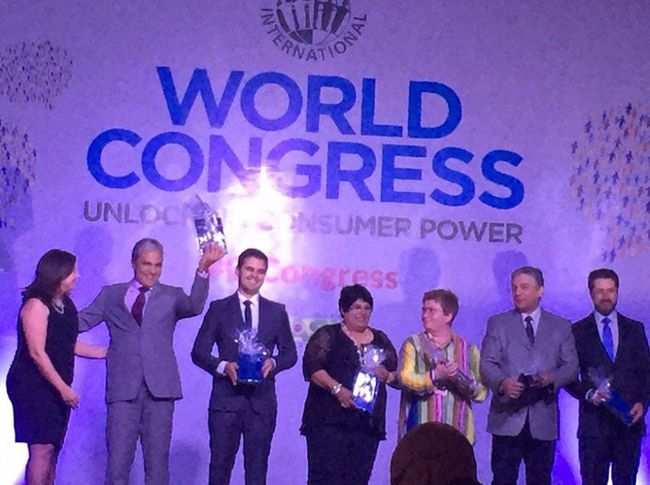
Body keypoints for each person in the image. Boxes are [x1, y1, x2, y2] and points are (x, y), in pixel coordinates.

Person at [78, 238, 223, 485]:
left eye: (158, 265)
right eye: (147, 264)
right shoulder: (111, 295)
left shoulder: (173, 296)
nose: (153, 271)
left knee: (157, 466)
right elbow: (81, 321)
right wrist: (49, 310)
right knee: (117, 466)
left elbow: (195, 306)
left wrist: (203, 269)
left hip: (161, 391)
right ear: (134, 263)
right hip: (123, 391)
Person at [191, 248, 297, 485]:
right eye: (249, 269)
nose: (254, 276)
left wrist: (273, 362)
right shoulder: (219, 308)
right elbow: (198, 352)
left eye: (260, 271)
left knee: (257, 473)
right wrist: (223, 366)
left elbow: (290, 354)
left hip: (261, 404)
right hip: (225, 403)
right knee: (219, 471)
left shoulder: (277, 311)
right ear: (237, 271)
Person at [6, 249, 106, 485]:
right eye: (72, 272)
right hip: (33, 386)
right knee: (41, 448)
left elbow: (67, 343)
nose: (77, 276)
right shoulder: (36, 305)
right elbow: (37, 353)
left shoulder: (66, 304)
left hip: (56, 385)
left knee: (53, 448)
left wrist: (107, 353)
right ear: (57, 274)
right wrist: (63, 389)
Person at [480, 266, 578, 485]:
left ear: (540, 290)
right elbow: (487, 364)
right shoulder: (497, 323)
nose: (517, 292)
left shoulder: (561, 326)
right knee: (503, 480)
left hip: (543, 420)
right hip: (506, 419)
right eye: (514, 288)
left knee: (540, 480)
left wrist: (551, 378)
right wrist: (502, 383)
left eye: (524, 287)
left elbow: (571, 366)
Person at [300, 284, 398, 485]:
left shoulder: (381, 339)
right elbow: (313, 368)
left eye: (367, 307)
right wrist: (337, 389)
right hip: (329, 422)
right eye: (356, 307)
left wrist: (387, 375)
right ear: (343, 310)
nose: (362, 312)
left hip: (366, 426)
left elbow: (395, 373)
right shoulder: (328, 334)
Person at [567, 268, 650, 485]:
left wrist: (642, 402)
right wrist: (589, 394)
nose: (606, 296)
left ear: (617, 292)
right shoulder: (576, 331)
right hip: (594, 428)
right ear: (591, 293)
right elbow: (567, 376)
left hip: (628, 424)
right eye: (600, 291)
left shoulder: (635, 329)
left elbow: (646, 372)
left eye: (611, 290)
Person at [398, 289, 487, 444]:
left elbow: (481, 393)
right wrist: (435, 375)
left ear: (448, 315)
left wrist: (459, 377)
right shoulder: (413, 344)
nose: (425, 315)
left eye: (431, 311)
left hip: (457, 435)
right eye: (424, 310)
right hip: (419, 435)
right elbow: (404, 378)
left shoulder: (468, 349)